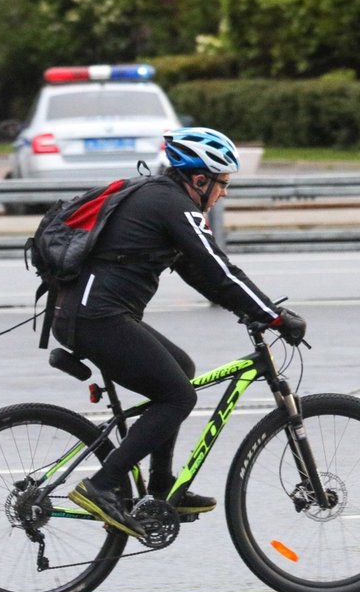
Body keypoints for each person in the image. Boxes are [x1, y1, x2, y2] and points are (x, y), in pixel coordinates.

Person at [57, 125, 307, 539]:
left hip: (92, 315)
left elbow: (199, 273)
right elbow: (219, 268)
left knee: (182, 368)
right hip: (97, 319)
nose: (223, 194)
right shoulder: (173, 206)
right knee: (178, 396)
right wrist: (274, 316)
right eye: (222, 184)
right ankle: (101, 486)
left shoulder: (159, 198)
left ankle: (160, 490)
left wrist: (251, 311)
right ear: (200, 179)